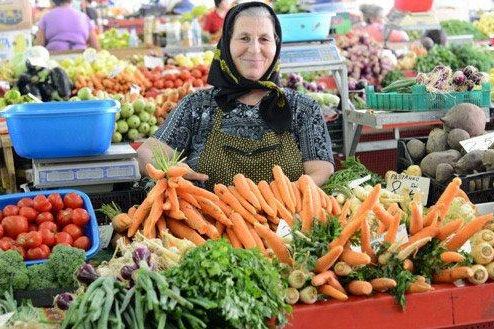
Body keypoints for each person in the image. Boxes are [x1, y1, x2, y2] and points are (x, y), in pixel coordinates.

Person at [137, 1, 334, 189]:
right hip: (208, 222)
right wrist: (167, 168)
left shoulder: (303, 108)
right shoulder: (197, 106)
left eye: (264, 39)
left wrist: (282, 197)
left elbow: (321, 170)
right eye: (244, 38)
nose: (254, 49)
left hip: (288, 221)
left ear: (276, 45)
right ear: (227, 43)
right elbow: (146, 154)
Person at [35, 0, 100, 51]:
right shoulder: (83, 17)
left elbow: (39, 47)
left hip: (54, 58)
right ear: (70, 1)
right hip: (80, 58)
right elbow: (95, 46)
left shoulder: (46, 17)